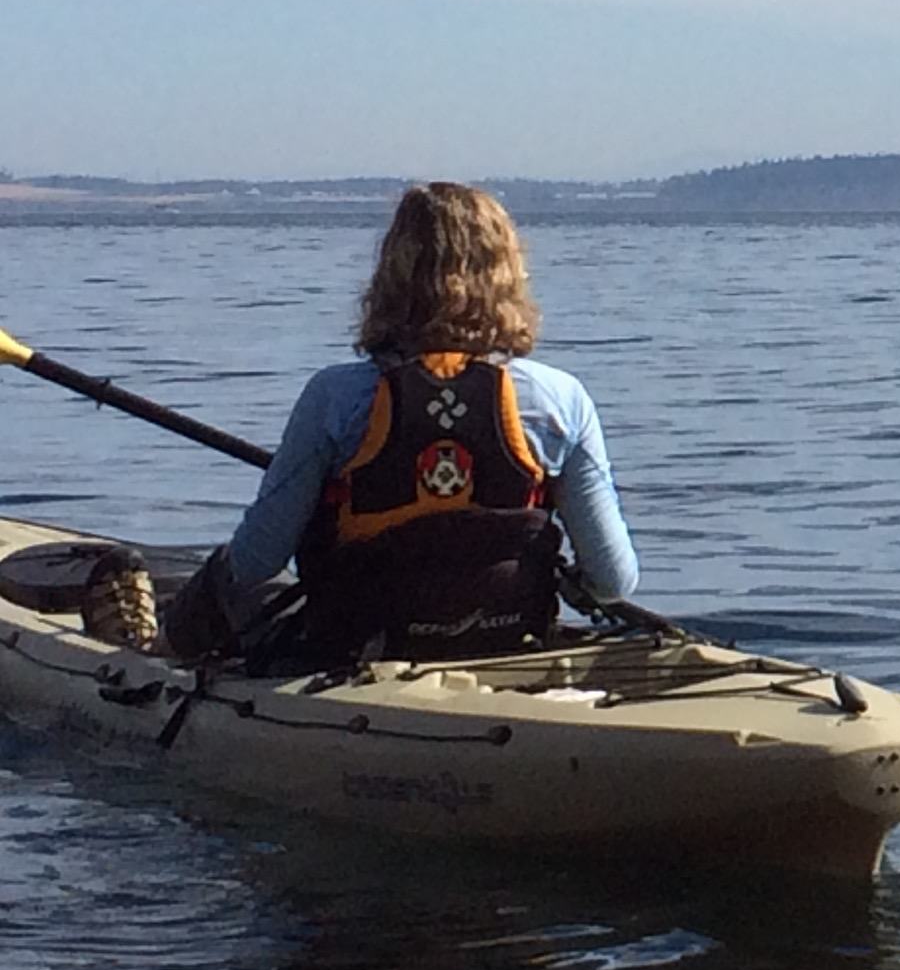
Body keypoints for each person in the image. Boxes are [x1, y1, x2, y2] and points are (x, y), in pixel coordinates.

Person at [165, 182, 641, 666]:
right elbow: (614, 581)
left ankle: (147, 654)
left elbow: (256, 562)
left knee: (223, 574)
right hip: (504, 639)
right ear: (509, 274)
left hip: (357, 647)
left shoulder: (335, 396)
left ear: (392, 275)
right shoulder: (562, 399)